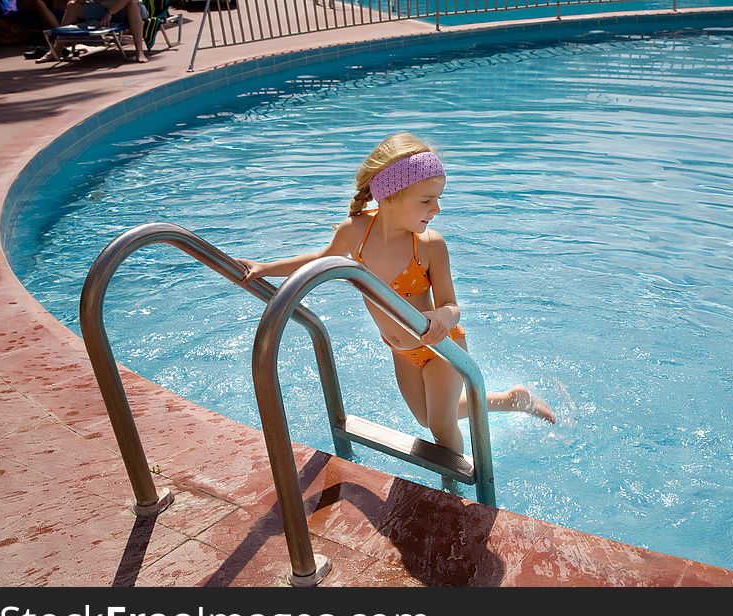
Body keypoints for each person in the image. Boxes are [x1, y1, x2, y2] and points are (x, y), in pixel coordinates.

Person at [236, 133, 556, 463]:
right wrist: (266, 268)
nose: (437, 209)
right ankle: (509, 400)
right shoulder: (356, 232)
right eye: (426, 200)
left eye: (438, 199)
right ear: (389, 196)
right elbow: (319, 260)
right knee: (425, 419)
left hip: (439, 348)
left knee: (442, 427)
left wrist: (444, 317)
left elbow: (451, 305)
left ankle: (456, 495)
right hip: (401, 351)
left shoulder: (429, 246)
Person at [36, 0, 149, 63]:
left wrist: (110, 13)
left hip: (127, 8)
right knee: (72, 7)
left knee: (132, 5)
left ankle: (139, 51)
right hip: (102, 9)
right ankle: (57, 49)